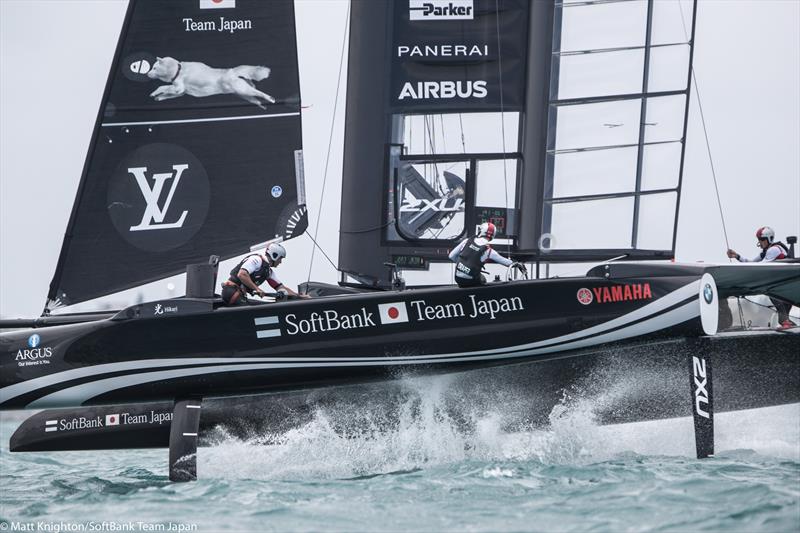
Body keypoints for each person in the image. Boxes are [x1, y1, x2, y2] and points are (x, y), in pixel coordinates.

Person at [727, 226, 795, 328]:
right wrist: (737, 256)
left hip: (785, 284)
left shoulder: (774, 250)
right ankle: (787, 322)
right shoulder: (766, 252)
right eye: (759, 239)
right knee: (774, 294)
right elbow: (750, 263)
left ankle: (785, 321)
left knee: (772, 293)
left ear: (769, 239)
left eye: (762, 239)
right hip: (782, 284)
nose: (760, 242)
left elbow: (760, 266)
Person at [221, 243, 309, 305]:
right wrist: (257, 289)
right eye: (280, 259)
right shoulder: (256, 260)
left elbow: (281, 287)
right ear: (275, 255)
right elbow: (242, 274)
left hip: (240, 295)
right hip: (231, 293)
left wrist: (300, 297)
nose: (280, 262)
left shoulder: (268, 272)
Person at [448, 222, 525, 287]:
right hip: (471, 280)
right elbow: (507, 263)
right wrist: (518, 264)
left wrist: (463, 266)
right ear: (492, 236)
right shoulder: (488, 250)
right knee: (483, 279)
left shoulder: (467, 241)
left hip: (457, 278)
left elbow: (451, 256)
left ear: (480, 231)